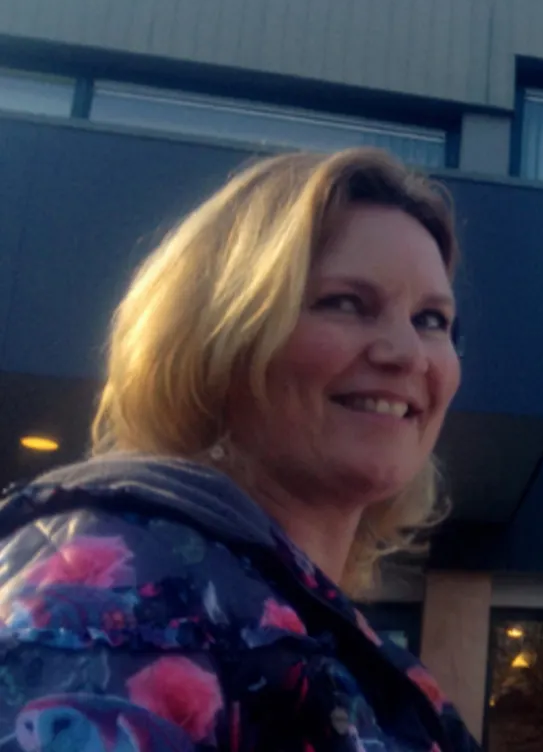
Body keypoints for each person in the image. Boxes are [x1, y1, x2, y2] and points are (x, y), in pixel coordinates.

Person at [0, 149, 480, 750]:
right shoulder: (112, 605)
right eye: (345, 303)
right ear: (220, 334)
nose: (406, 353)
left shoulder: (331, 638)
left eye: (431, 319)